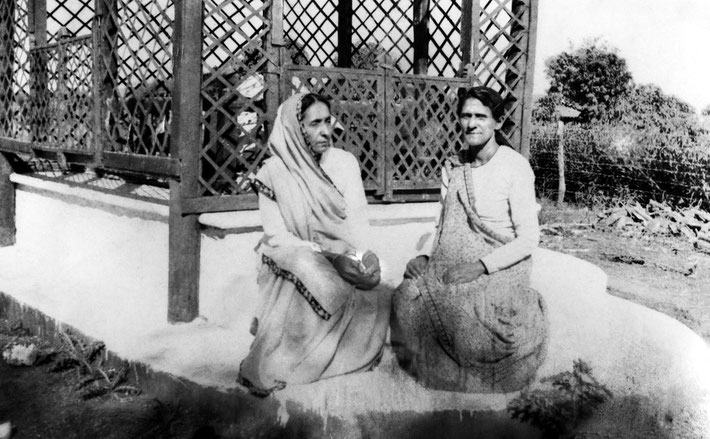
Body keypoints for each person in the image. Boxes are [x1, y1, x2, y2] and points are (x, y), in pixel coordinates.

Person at [390, 86, 548, 393]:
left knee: (466, 308)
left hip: (500, 265)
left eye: (480, 116)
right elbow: (445, 224)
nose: (471, 123)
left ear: (497, 123)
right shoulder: (454, 166)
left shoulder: (514, 167)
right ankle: (443, 376)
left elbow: (528, 239)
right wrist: (427, 257)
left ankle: (473, 378)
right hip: (455, 260)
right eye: (465, 116)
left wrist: (480, 266)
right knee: (405, 295)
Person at [237, 93, 391, 396]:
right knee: (312, 271)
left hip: (339, 252)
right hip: (292, 252)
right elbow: (277, 234)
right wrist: (330, 257)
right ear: (296, 128)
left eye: (327, 122)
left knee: (381, 285)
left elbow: (358, 222)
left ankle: (343, 357)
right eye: (315, 124)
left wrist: (365, 256)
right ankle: (281, 362)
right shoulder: (274, 171)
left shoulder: (345, 163)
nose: (326, 131)